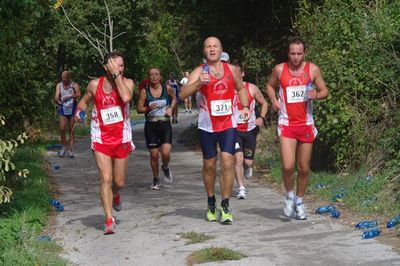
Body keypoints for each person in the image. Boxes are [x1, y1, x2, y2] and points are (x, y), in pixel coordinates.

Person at [180, 36, 250, 224]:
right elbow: (183, 94)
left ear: (220, 49)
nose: (212, 49)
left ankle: (225, 205)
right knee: (209, 166)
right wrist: (197, 84)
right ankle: (211, 201)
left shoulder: (232, 70)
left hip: (228, 124)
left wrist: (244, 107)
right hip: (207, 126)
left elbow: (241, 88)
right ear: (204, 51)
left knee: (228, 161)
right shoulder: (198, 71)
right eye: (208, 47)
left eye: (215, 46)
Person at [266, 36, 329, 220]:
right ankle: (289, 195)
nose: (295, 57)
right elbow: (270, 86)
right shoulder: (279, 69)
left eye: (299, 54)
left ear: (304, 53)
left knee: (303, 168)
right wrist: (274, 100)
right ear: (288, 53)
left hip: (306, 123)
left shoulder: (313, 69)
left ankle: (300, 202)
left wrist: (315, 94)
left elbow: (325, 91)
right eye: (292, 53)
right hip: (286, 123)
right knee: (287, 165)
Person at [75, 51, 135, 234]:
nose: (119, 68)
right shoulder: (95, 85)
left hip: (122, 137)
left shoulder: (128, 83)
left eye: (121, 65)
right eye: (115, 65)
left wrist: (117, 75)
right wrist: (79, 113)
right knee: (106, 178)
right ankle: (109, 220)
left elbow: (126, 98)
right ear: (105, 67)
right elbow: (83, 102)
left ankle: (116, 194)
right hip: (101, 137)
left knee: (119, 182)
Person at [137, 67, 176, 190]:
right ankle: (155, 178)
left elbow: (174, 99)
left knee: (165, 152)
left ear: (160, 77)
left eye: (156, 74)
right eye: (151, 75)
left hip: (164, 124)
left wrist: (171, 108)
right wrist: (149, 108)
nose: (153, 77)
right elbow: (139, 109)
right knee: (154, 155)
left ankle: (165, 166)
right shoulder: (145, 91)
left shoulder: (167, 89)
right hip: (151, 126)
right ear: (149, 77)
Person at [233, 63, 268, 200]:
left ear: (242, 74)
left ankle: (248, 167)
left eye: (238, 73)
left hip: (250, 130)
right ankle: (241, 188)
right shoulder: (228, 90)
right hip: (234, 130)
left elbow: (264, 103)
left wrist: (261, 118)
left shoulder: (251, 88)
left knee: (247, 162)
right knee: (238, 159)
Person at [54, 70, 81, 158]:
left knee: (71, 130)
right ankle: (63, 147)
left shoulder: (74, 85)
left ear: (69, 77)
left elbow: (79, 94)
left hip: (72, 108)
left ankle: (70, 150)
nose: (63, 79)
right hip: (63, 108)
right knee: (62, 128)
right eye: (62, 77)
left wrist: (70, 96)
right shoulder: (59, 85)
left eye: (65, 77)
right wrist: (58, 100)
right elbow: (56, 96)